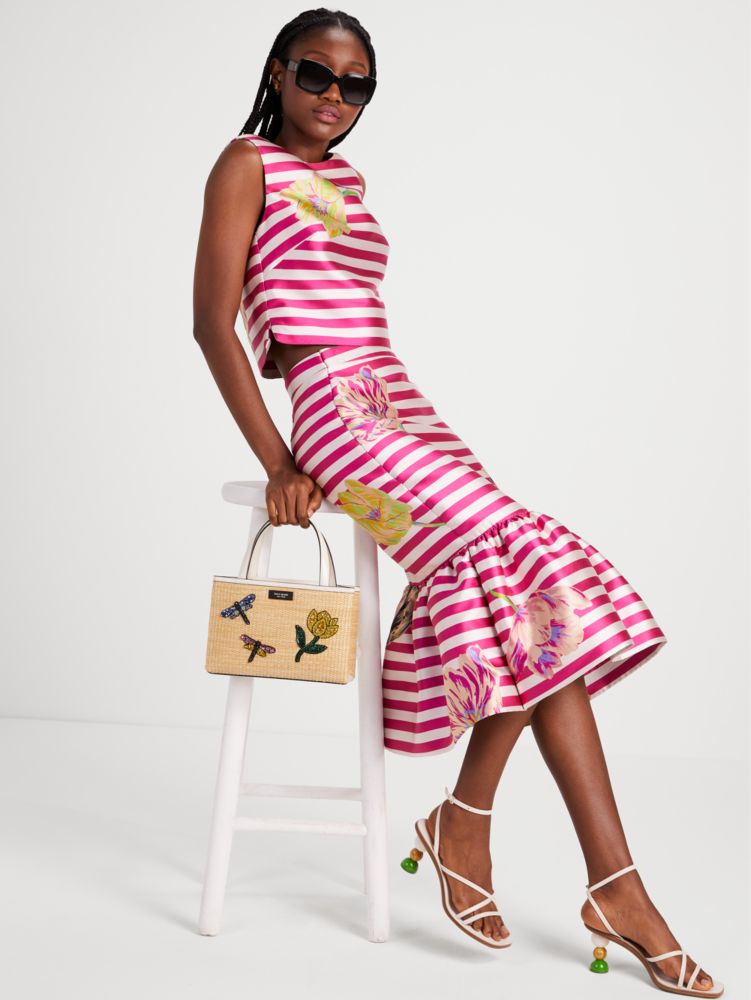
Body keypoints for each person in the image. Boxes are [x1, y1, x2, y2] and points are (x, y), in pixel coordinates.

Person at [192, 8, 721, 995]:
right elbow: (211, 324)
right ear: (277, 72)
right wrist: (279, 460)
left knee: (523, 586)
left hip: (397, 399)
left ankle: (472, 830)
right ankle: (604, 882)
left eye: (356, 84)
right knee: (514, 558)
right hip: (339, 423)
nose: (334, 97)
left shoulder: (347, 180)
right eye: (316, 74)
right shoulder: (244, 164)